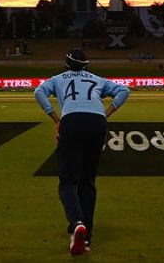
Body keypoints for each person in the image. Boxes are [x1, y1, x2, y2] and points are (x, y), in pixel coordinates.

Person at [34, 49, 130, 256]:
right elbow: (124, 91)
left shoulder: (58, 78)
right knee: (88, 181)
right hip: (97, 122)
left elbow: (38, 92)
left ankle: (77, 222)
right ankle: (86, 239)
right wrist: (105, 114)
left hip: (71, 120)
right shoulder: (97, 78)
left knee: (68, 181)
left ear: (66, 63)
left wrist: (56, 119)